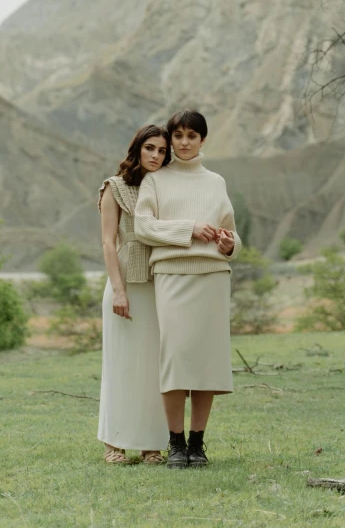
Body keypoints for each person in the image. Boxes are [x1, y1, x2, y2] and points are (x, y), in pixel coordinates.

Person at [134, 110, 241, 469]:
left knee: (207, 362)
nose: (183, 142)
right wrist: (189, 229)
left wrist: (228, 246)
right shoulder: (155, 181)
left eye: (191, 136)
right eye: (177, 136)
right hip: (172, 276)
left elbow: (231, 232)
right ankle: (175, 444)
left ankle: (198, 444)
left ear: (202, 140)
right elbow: (143, 228)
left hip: (213, 276)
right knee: (176, 358)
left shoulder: (217, 182)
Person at [97, 124, 171, 464]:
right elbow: (108, 243)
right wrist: (118, 291)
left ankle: (152, 444)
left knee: (154, 368)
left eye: (162, 150)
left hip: (160, 283)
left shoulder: (167, 187)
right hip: (124, 283)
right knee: (121, 365)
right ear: (137, 149)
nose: (156, 155)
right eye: (150, 148)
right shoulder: (115, 187)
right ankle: (114, 443)